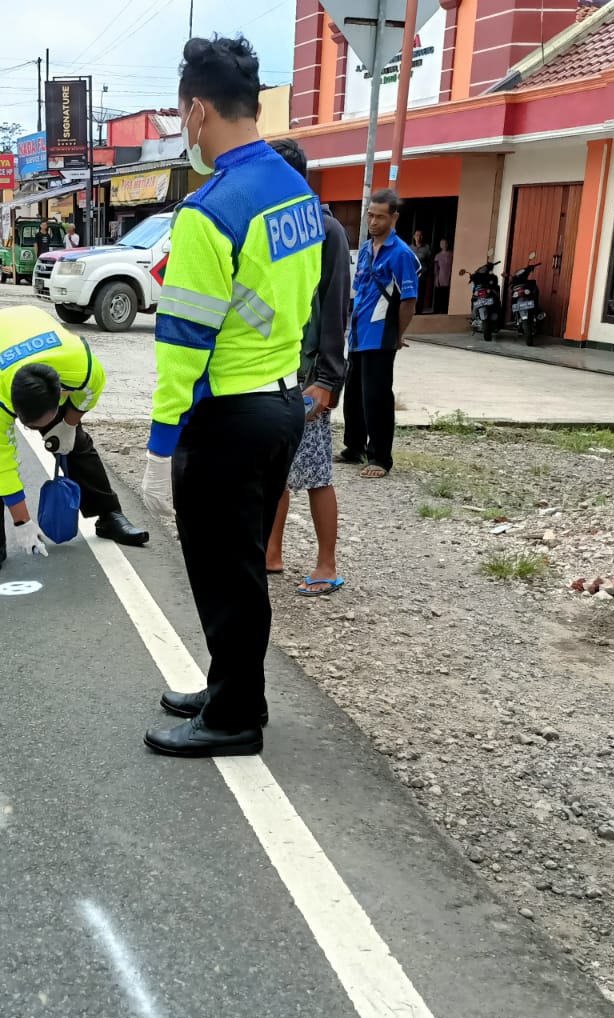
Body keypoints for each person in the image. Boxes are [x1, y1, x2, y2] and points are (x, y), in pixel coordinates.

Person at [138, 35, 322, 758]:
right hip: (281, 404)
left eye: (185, 114)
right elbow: (302, 297)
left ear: (198, 108)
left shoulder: (210, 209)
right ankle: (230, 686)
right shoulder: (295, 188)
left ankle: (235, 717)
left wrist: (159, 446)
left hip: (227, 416)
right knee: (240, 564)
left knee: (225, 573)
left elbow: (182, 340)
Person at [0, 306, 149, 575]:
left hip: (32, 329)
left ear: (59, 391)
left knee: (75, 441)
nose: (39, 430)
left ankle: (109, 515)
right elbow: (1, 461)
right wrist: (22, 521)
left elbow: (90, 394)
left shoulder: (80, 365)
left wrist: (67, 425)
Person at [266, 138, 350, 599]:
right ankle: (271, 551)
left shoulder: (325, 230)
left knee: (316, 471)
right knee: (277, 468)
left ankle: (326, 564)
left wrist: (327, 379)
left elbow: (336, 307)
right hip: (276, 368)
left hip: (311, 374)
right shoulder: (275, 227)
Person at [338, 188, 418, 479]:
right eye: (370, 215)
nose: (373, 222)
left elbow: (409, 299)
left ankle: (380, 457)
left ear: (394, 217)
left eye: (379, 217)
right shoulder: (365, 251)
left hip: (382, 336)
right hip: (358, 334)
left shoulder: (401, 254)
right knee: (354, 395)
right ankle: (354, 447)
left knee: (377, 397)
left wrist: (399, 334)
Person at [411, 229, 434, 314]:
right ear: (414, 237)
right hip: (411, 275)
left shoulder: (426, 248)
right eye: (417, 235)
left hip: (422, 274)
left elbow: (430, 261)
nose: (418, 237)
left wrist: (427, 270)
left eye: (420, 235)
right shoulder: (410, 248)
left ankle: (418, 311)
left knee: (420, 293)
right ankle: (410, 311)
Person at [433, 236, 452, 313]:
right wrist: (436, 279)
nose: (443, 245)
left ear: (447, 244)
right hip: (441, 278)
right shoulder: (437, 256)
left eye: (444, 243)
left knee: (447, 296)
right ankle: (438, 311)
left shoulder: (451, 254)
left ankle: (445, 310)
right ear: (440, 245)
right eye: (441, 243)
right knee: (440, 296)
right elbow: (436, 269)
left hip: (449, 277)